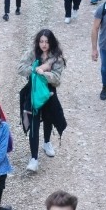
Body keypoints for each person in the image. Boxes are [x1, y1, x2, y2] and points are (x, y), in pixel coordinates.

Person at [17, 29, 67, 173]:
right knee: (33, 123)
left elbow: (57, 79)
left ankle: (46, 142)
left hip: (49, 92)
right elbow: (20, 68)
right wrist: (36, 69)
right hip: (33, 92)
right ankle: (34, 158)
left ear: (51, 42)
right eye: (41, 41)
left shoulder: (57, 57)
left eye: (46, 41)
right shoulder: (32, 53)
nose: (44, 45)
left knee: (49, 118)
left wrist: (44, 74)